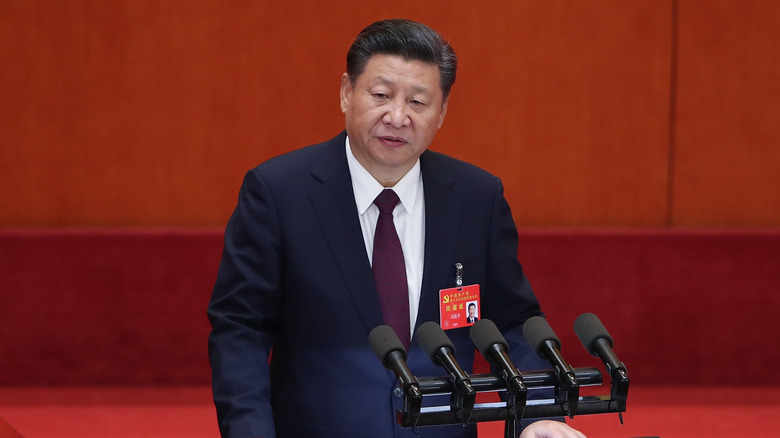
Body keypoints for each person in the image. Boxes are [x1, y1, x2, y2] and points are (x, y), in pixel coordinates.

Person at [208, 18, 586, 438]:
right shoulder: (279, 193)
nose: (398, 116)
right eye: (381, 95)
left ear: (441, 113)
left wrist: (538, 416)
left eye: (419, 102)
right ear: (346, 93)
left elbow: (516, 322)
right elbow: (241, 329)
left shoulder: (477, 198)